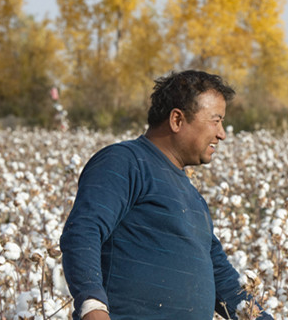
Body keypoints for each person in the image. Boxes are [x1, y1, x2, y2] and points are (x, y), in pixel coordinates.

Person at [60, 70, 273, 320]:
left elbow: (221, 278)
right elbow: (84, 230)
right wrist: (92, 306)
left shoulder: (193, 198)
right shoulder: (124, 162)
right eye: (215, 121)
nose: (222, 133)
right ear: (177, 120)